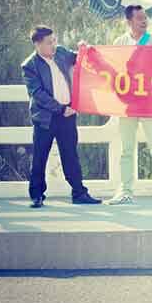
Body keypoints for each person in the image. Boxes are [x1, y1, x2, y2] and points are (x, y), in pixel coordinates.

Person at [21, 26, 101, 208]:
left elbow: (80, 58)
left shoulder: (61, 52)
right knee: (40, 157)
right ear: (37, 44)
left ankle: (79, 193)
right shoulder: (29, 66)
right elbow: (38, 94)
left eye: (54, 40)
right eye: (49, 42)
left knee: (71, 155)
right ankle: (37, 195)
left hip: (68, 115)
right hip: (45, 118)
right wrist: (60, 109)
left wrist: (84, 49)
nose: (54, 45)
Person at [108, 4, 152, 205]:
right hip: (128, 104)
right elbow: (113, 69)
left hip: (150, 102)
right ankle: (125, 190)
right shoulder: (120, 42)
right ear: (129, 21)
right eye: (139, 18)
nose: (144, 21)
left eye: (145, 18)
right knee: (127, 149)